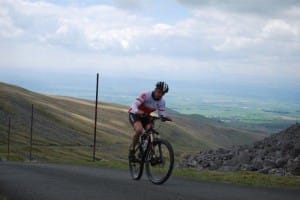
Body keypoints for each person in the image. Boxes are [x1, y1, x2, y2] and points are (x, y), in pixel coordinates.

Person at [128, 81, 172, 161]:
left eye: (163, 93)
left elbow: (161, 114)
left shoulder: (162, 101)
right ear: (155, 89)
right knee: (139, 130)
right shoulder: (145, 95)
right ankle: (132, 149)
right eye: (159, 92)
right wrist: (138, 111)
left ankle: (146, 152)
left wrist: (164, 117)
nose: (160, 95)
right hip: (135, 114)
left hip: (145, 116)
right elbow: (134, 105)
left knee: (151, 131)